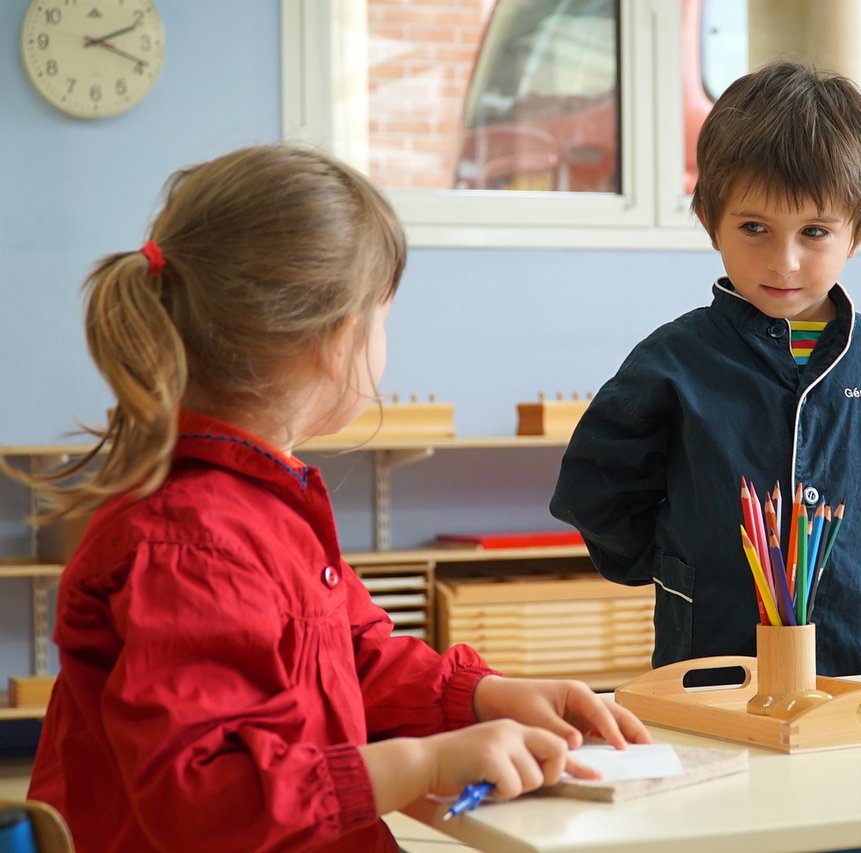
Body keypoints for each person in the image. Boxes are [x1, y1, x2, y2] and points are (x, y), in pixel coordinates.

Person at [11, 144, 649, 852]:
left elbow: (350, 655)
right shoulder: (192, 543)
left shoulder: (257, 505)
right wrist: (424, 761)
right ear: (337, 339)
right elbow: (208, 798)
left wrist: (482, 694)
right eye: (383, 318)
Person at [549, 61, 861, 678]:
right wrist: (669, 561)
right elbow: (598, 484)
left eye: (815, 231)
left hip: (860, 659)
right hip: (711, 660)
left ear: (859, 230)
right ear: (711, 220)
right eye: (754, 228)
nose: (785, 260)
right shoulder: (674, 360)